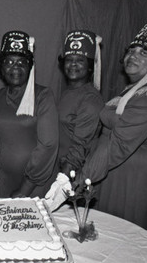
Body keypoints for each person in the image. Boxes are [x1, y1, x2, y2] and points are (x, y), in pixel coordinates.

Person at [46, 21, 147, 246]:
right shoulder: (135, 90)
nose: (133, 56)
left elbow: (117, 144)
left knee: (129, 241)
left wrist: (74, 182)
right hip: (114, 172)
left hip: (136, 180)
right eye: (131, 50)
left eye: (144, 52)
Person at [0, 31, 59, 199]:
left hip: (35, 184)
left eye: (22, 62)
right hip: (2, 181)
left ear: (30, 66)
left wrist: (25, 189)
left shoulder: (43, 96)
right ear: (1, 67)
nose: (15, 67)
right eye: (9, 62)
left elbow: (48, 146)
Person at [44, 30, 104, 205]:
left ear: (91, 65)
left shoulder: (91, 99)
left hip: (73, 175)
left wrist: (64, 178)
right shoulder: (67, 92)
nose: (73, 65)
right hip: (59, 169)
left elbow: (81, 144)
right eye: (69, 60)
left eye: (80, 60)